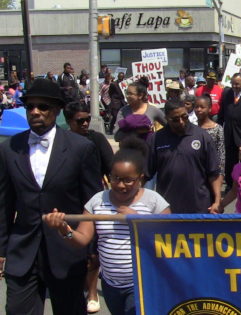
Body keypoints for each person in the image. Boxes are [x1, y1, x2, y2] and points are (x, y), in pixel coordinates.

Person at [0, 78, 103, 314]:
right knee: (17, 309)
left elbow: (92, 202)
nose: (35, 112)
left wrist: (92, 249)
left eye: (43, 107)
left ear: (56, 111)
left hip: (66, 250)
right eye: (30, 107)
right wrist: (1, 249)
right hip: (23, 250)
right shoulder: (9, 149)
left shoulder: (80, 148)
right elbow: (3, 204)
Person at [44, 137, 170, 315]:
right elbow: (82, 239)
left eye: (128, 180)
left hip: (143, 283)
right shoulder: (97, 201)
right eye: (115, 178)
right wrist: (64, 230)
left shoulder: (154, 201)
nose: (120, 185)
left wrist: (139, 221)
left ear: (140, 178)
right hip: (111, 284)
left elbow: (169, 239)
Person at [63, 101, 114, 313]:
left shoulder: (96, 139)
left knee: (93, 252)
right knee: (71, 248)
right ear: (68, 122)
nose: (85, 124)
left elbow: (111, 167)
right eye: (79, 121)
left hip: (94, 202)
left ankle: (92, 291)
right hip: (67, 204)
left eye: (87, 120)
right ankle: (75, 288)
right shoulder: (61, 142)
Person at [147, 100, 222, 213]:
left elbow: (214, 173)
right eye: (176, 119)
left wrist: (217, 200)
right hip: (167, 208)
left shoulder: (202, 136)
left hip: (199, 206)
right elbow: (146, 173)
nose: (181, 122)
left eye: (184, 117)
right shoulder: (156, 139)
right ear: (167, 118)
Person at [195, 95, 225, 178]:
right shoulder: (191, 127)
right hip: (194, 170)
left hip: (211, 171)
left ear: (209, 109)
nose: (198, 110)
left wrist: (220, 174)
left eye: (202, 107)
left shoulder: (217, 129)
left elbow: (221, 153)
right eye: (196, 107)